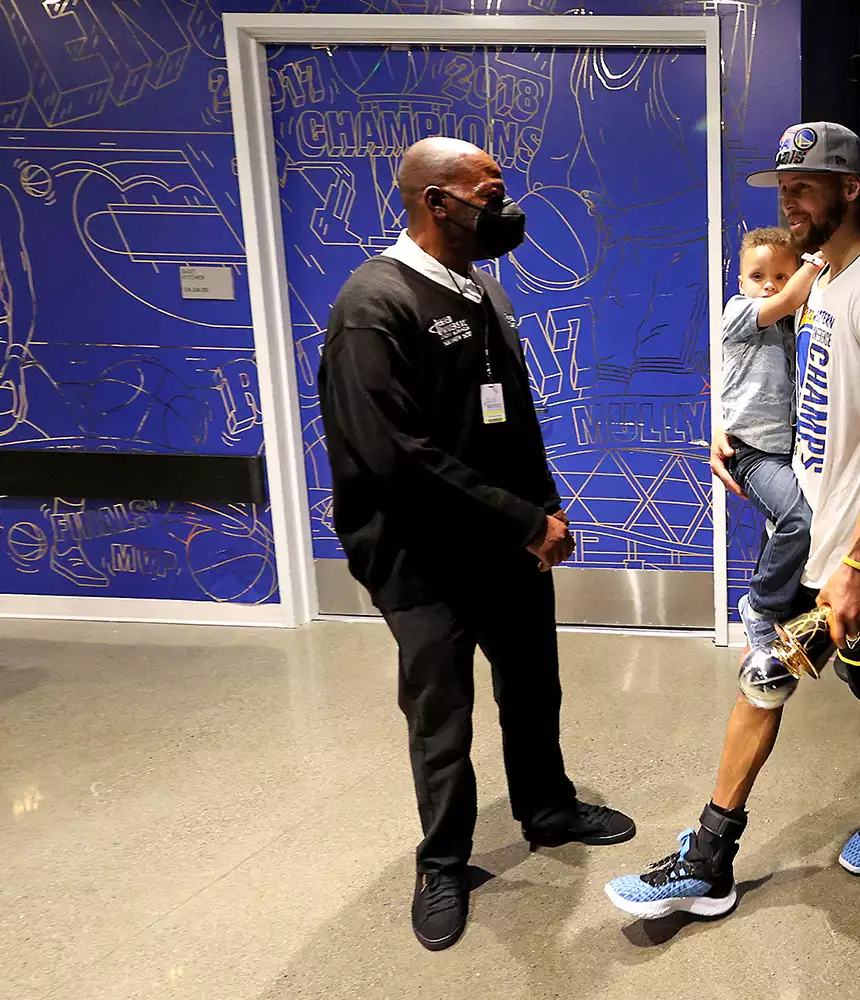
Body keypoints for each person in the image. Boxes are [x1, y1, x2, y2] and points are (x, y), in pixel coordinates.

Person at [604, 121, 860, 919]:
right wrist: (734, 434)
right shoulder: (820, 278)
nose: (788, 201)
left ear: (851, 188)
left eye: (805, 186)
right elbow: (792, 383)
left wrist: (858, 565)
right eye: (782, 187)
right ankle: (712, 856)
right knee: (777, 679)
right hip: (818, 533)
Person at [318, 137, 635, 952]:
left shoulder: (481, 289)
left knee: (534, 686)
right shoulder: (372, 306)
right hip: (422, 557)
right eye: (489, 193)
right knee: (441, 714)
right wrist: (525, 520)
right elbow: (396, 457)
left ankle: (548, 808)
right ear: (436, 202)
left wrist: (546, 508)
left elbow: (512, 418)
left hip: (506, 542)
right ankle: (444, 863)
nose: (505, 206)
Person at [718, 226, 824, 649]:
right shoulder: (740, 311)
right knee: (801, 521)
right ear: (741, 282)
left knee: (783, 523)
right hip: (752, 451)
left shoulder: (790, 325)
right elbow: (787, 299)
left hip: (789, 449)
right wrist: (815, 264)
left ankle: (777, 617)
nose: (770, 285)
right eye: (758, 276)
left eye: (780, 275)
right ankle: (761, 605)